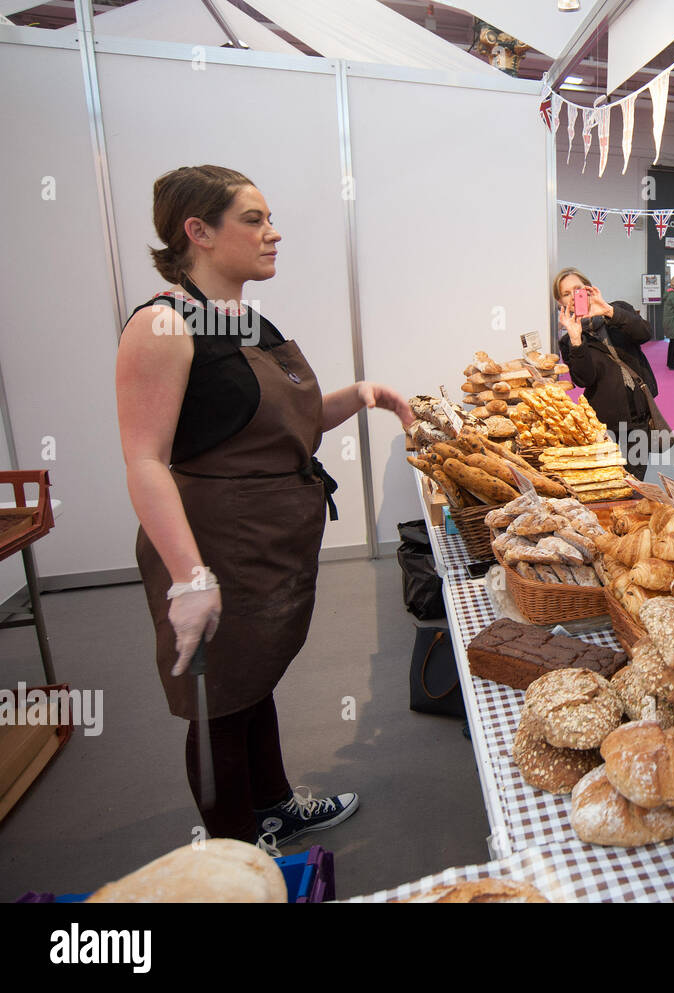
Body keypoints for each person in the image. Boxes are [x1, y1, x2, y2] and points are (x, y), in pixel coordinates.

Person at [115, 165, 413, 849]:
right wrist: (190, 577)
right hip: (213, 545)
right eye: (253, 219)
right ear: (199, 232)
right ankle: (234, 856)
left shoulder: (246, 320)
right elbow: (144, 461)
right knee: (216, 704)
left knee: (251, 682)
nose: (273, 232)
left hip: (268, 544)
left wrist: (362, 394)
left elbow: (282, 424)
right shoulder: (162, 324)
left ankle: (273, 804)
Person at [553, 267, 657, 479]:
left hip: (639, 414)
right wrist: (576, 339)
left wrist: (609, 311)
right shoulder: (569, 340)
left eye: (577, 289)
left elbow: (644, 333)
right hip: (603, 422)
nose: (573, 296)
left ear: (589, 289)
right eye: (566, 293)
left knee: (634, 480)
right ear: (560, 302)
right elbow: (583, 379)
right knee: (606, 480)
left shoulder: (617, 310)